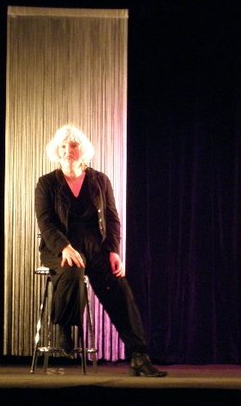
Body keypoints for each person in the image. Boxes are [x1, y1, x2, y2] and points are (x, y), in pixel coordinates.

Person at [34, 123, 167, 377]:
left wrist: (113, 251)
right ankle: (65, 326)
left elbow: (112, 218)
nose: (68, 150)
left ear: (82, 149)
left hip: (95, 250)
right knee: (73, 269)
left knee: (119, 288)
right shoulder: (46, 183)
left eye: (73, 145)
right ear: (56, 150)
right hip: (59, 248)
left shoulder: (99, 180)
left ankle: (139, 355)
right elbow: (45, 222)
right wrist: (64, 247)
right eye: (63, 146)